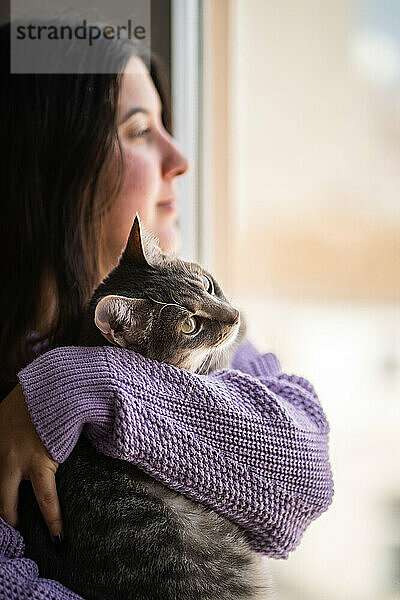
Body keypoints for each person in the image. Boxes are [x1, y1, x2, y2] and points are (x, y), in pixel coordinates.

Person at [0, 19, 334, 599]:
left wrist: (85, 382)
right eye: (139, 131)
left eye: (167, 126)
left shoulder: (192, 323)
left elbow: (306, 481)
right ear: (50, 163)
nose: (179, 157)